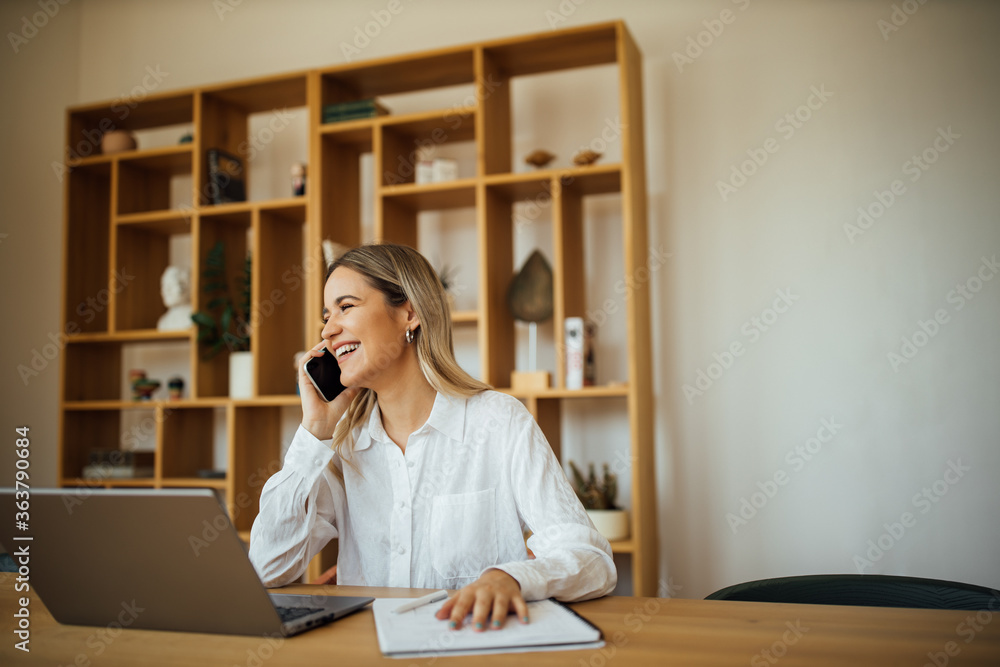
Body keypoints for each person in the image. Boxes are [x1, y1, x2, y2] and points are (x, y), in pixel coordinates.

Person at [248, 243, 616, 631]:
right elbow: (265, 569)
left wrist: (509, 577)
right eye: (326, 315)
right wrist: (315, 431)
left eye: (346, 307)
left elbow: (591, 559)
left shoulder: (499, 421)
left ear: (409, 313)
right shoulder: (341, 447)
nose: (327, 329)